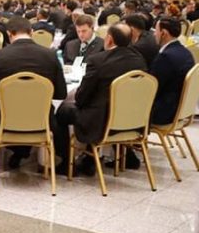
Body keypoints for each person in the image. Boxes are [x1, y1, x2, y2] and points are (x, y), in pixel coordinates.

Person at [55, 24, 146, 174]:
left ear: (109, 39)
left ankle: (66, 162)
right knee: (100, 104)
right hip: (130, 118)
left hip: (101, 120)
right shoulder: (139, 59)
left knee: (62, 110)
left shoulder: (98, 60)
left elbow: (82, 98)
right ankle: (93, 158)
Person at [0, 16, 67, 168]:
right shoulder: (50, 55)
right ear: (31, 32)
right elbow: (61, 93)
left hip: (5, 122)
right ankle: (25, 152)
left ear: (9, 34)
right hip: (43, 120)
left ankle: (18, 151)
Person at [151, 17, 196, 125]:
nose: (154, 34)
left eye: (156, 31)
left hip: (164, 113)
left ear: (164, 33)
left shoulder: (166, 57)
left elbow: (152, 87)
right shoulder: (186, 52)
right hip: (181, 108)